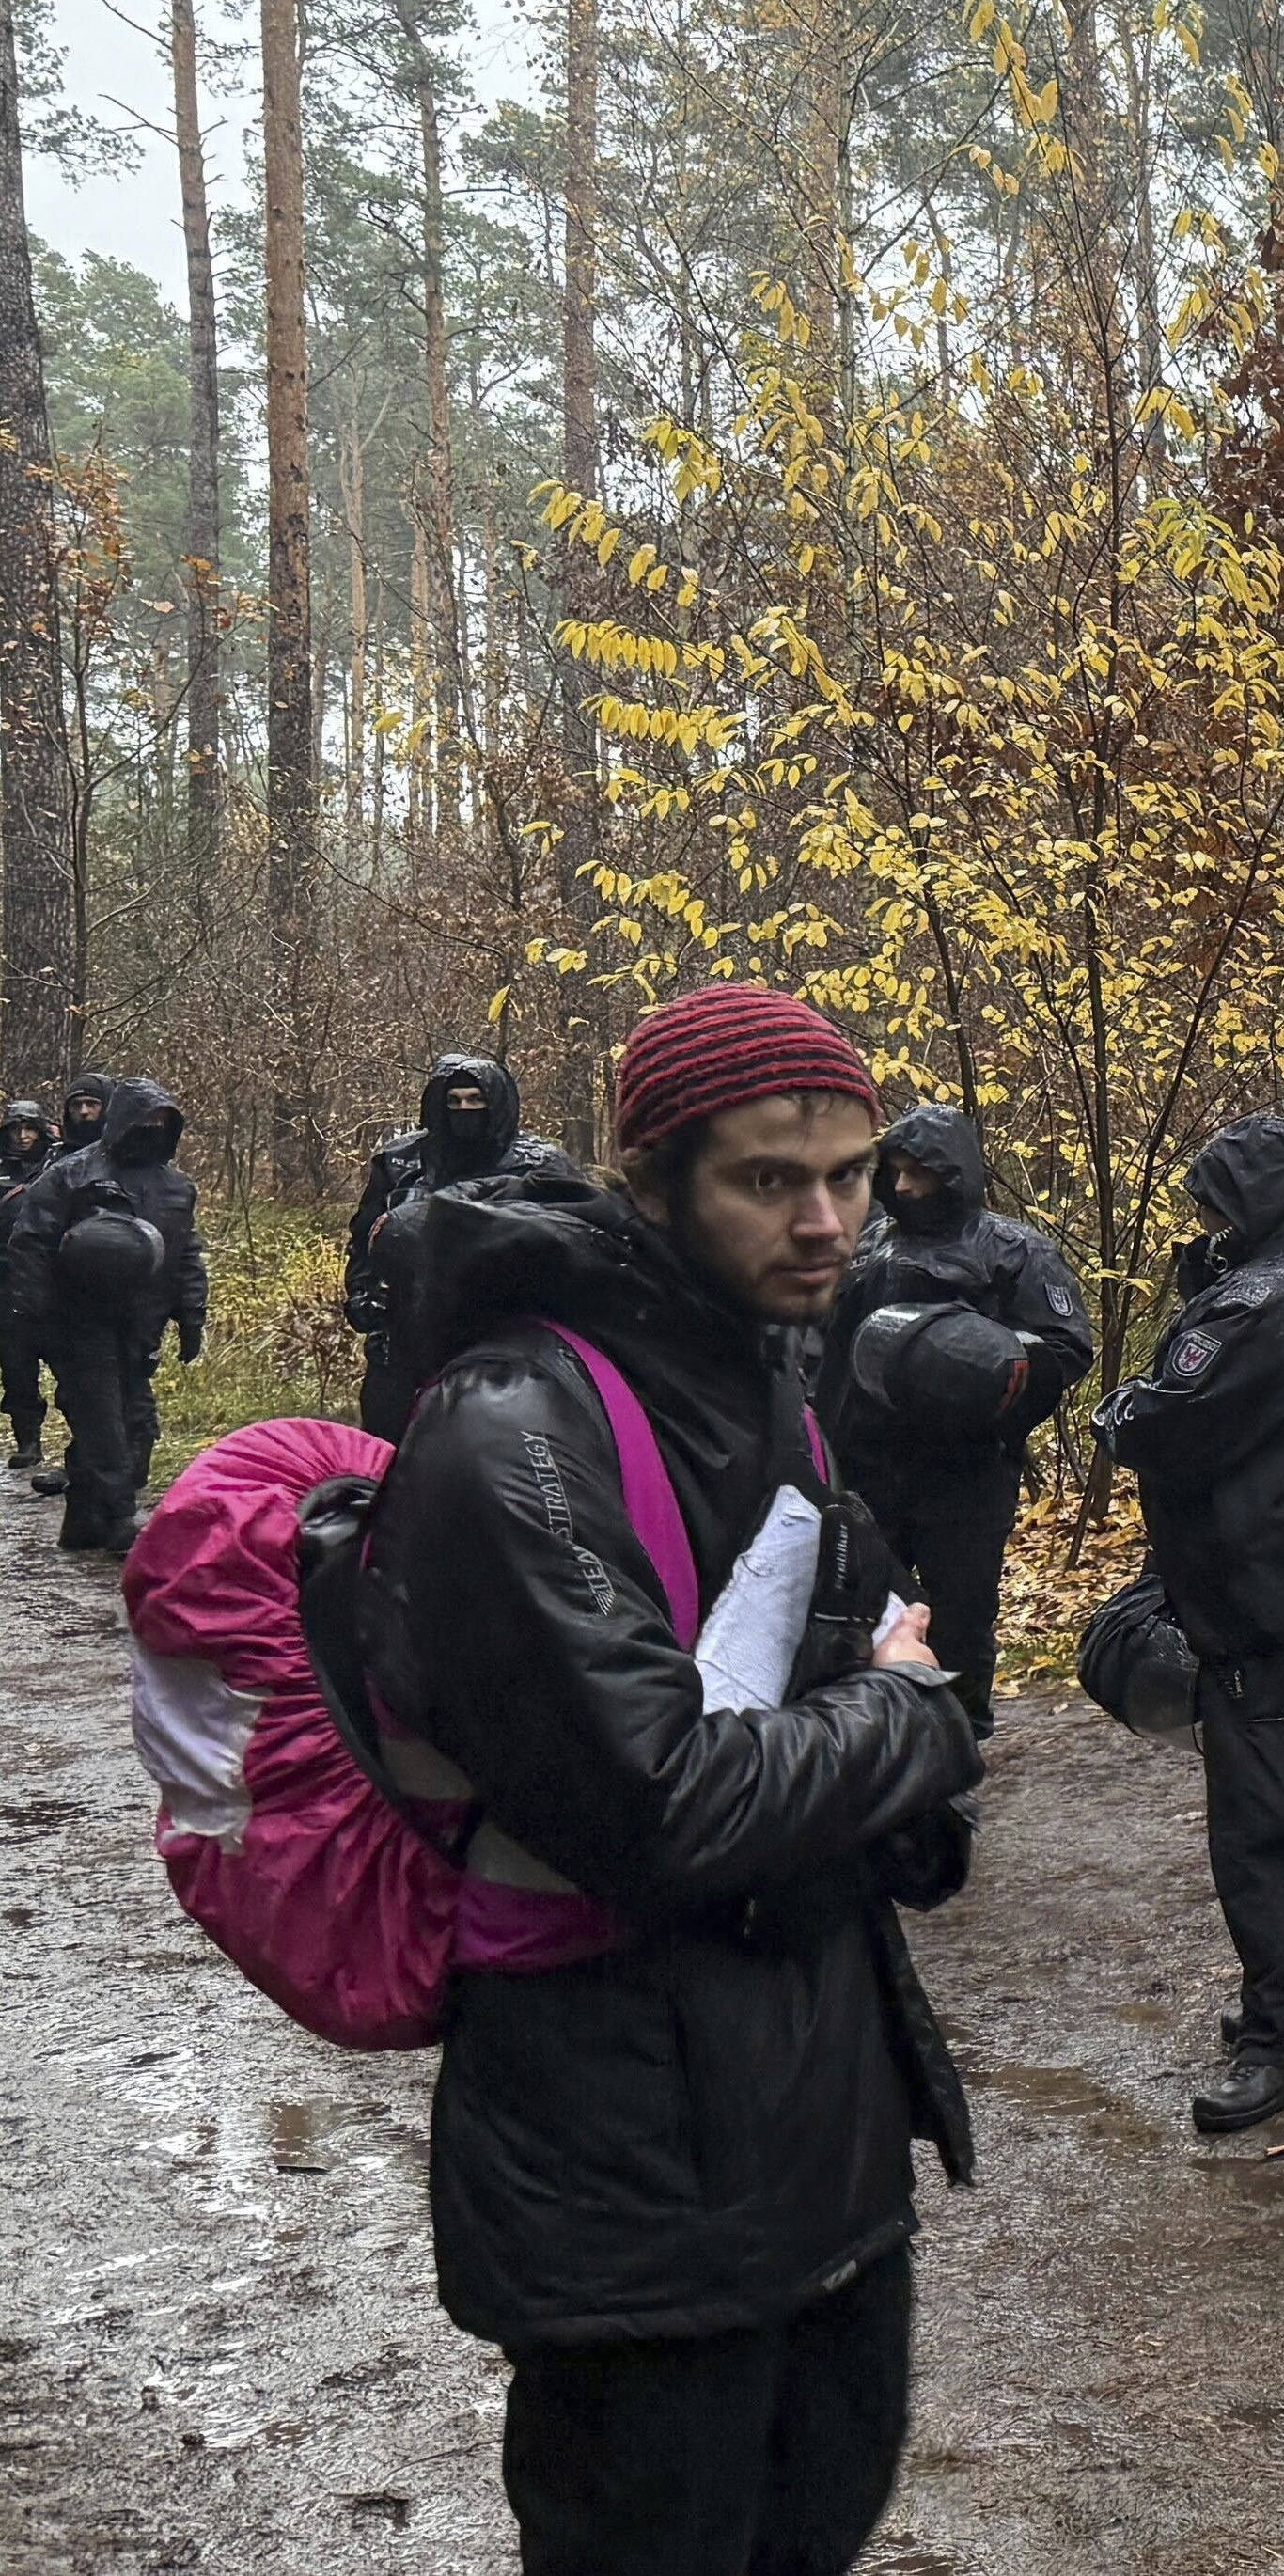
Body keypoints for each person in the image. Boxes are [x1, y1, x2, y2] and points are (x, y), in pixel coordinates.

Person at [358, 981, 979, 2576]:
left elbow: (815, 1661)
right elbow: (664, 1801)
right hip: (625, 2165)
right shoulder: (512, 1430)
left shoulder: (770, 1372)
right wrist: (911, 1729)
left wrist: (893, 1776)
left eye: (848, 1172)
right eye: (772, 1179)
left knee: (819, 2517)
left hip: (817, 2124)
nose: (830, 1219)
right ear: (654, 1177)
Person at [1093, 1110, 1284, 2135]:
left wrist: (1124, 1400)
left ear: (1251, 1204)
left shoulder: (1265, 1304)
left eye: (1216, 1205)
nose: (1205, 1222)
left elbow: (1154, 1422)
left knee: (1264, 1830)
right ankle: (1282, 2008)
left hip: (1265, 1598)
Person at [822, 1103, 1093, 1736]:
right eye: (897, 1171)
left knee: (962, 1615)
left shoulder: (1012, 1249)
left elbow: (1064, 1348)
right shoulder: (863, 1244)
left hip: (964, 1472)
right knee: (864, 1608)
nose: (908, 1185)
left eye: (922, 1171)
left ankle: (962, 1737)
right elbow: (821, 1344)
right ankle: (876, 1735)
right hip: (862, 1465)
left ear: (957, 1172)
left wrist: (992, 1377)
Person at [9, 1075, 205, 1554]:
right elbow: (30, 1243)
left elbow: (185, 1253)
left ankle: (83, 1518)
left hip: (143, 1322)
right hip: (81, 1321)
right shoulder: (72, 1174)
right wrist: (34, 1316)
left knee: (138, 1422)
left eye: (163, 1121)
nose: (153, 1128)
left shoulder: (177, 1187)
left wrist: (191, 1313)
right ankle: (118, 1515)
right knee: (102, 1421)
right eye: (146, 1119)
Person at [349, 1056, 567, 1441]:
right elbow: (367, 1236)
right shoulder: (402, 1161)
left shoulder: (539, 1164)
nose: (464, 1110)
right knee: (387, 1453)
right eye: (454, 1101)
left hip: (503, 1341)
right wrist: (364, 1296)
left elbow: (568, 1248)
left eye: (475, 1100)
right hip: (402, 1339)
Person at [14, 1075, 106, 1497]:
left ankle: (107, 1480)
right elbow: (34, 1227)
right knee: (67, 1383)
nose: (85, 1113)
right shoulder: (55, 1164)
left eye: (93, 1104)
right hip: (53, 1288)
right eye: (77, 1105)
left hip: (114, 1291)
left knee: (114, 1390)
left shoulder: (133, 1159)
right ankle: (84, 1468)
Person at [0, 1100, 49, 1470]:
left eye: (30, 1127)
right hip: (7, 1280)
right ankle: (28, 1440)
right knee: (17, 1364)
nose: (23, 1135)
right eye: (16, 1128)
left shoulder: (59, 1167)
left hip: (55, 1279)